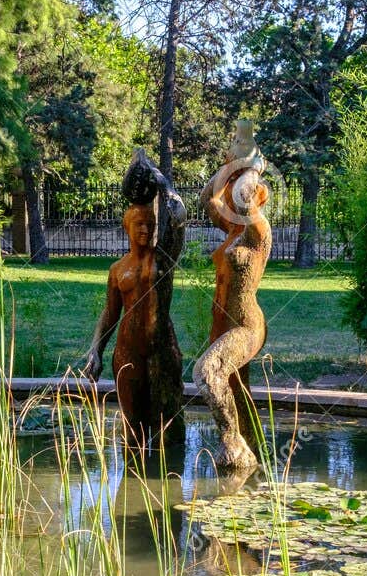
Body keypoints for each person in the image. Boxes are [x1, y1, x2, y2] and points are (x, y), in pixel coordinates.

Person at [78, 149, 187, 444]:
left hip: (160, 349)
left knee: (168, 431)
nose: (145, 228)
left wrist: (164, 185)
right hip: (127, 352)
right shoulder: (118, 270)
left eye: (150, 223)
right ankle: (132, 483)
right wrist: (96, 350)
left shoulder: (161, 260)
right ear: (126, 226)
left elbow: (178, 220)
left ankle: (167, 481)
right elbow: (111, 313)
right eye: (138, 223)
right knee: (132, 430)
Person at [194, 122, 271, 470]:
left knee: (207, 372)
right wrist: (229, 167)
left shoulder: (258, 231)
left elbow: (242, 203)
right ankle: (254, 447)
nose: (238, 198)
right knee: (238, 392)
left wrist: (247, 171)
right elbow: (207, 200)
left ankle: (234, 445)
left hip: (246, 325)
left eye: (249, 191)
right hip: (221, 323)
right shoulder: (231, 231)